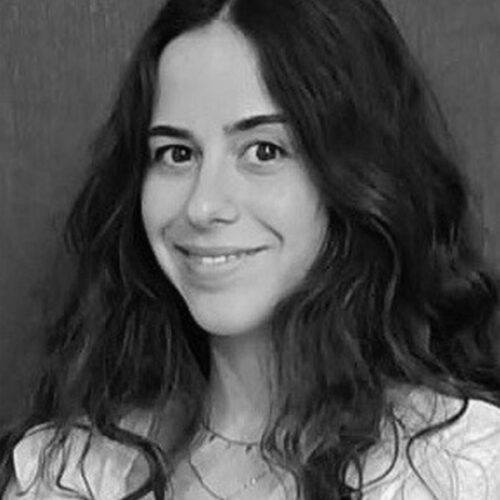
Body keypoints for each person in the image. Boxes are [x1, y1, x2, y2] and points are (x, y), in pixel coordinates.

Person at [1, 0, 500, 498]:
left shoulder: (463, 467)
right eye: (177, 153)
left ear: (357, 175)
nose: (202, 205)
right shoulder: (70, 471)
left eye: (264, 150)